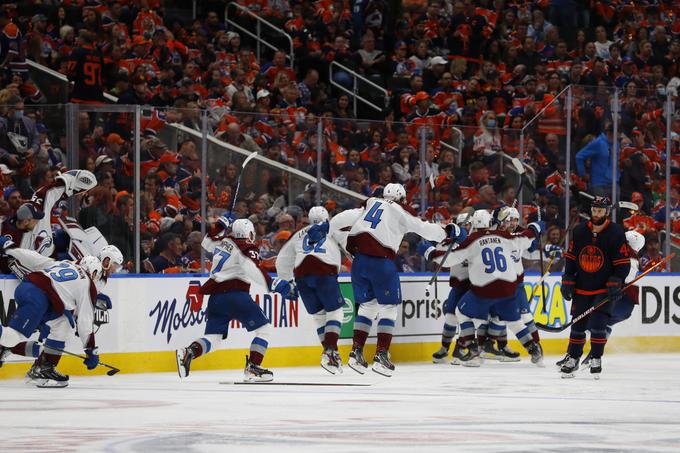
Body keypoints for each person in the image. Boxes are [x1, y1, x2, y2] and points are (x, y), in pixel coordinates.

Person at [329, 183, 450, 376]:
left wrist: (339, 240)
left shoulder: (369, 203)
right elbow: (424, 229)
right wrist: (447, 232)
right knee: (389, 308)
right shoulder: (399, 211)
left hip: (359, 263)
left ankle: (355, 354)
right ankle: (381, 355)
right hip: (381, 262)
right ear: (402, 199)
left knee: (368, 306)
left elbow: (338, 221)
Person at [176, 218, 294, 382]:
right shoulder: (247, 246)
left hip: (216, 297)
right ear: (249, 234)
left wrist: (218, 226)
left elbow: (207, 243)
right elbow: (252, 268)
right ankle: (253, 367)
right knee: (264, 329)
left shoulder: (223, 242)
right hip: (235, 294)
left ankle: (189, 352)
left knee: (214, 339)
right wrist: (273, 283)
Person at [421, 210, 544, 367]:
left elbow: (449, 259)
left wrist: (429, 253)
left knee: (461, 312)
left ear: (474, 225)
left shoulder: (472, 240)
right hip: (508, 287)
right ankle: (534, 350)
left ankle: (472, 350)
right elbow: (525, 238)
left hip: (484, 289)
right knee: (514, 321)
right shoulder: (504, 236)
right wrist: (535, 228)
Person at [0, 250, 103, 388]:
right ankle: (5, 345)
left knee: (64, 323)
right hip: (38, 297)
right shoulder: (88, 284)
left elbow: (37, 259)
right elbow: (85, 322)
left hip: (29, 289)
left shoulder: (65, 263)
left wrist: (11, 249)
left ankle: (43, 369)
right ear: (94, 272)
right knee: (11, 337)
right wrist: (91, 350)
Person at [559, 196, 630, 379]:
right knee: (577, 325)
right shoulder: (580, 231)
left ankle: (596, 358)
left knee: (598, 325)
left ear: (607, 211)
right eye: (594, 209)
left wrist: (617, 279)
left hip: (602, 290)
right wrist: (567, 277)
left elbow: (623, 262)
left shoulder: (615, 232)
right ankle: (573, 358)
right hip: (582, 287)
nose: (597, 213)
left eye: (601, 210)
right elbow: (572, 257)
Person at [558, 230, 644, 370]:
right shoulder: (632, 259)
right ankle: (592, 356)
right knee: (605, 325)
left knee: (584, 323)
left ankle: (572, 355)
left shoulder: (622, 255)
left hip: (616, 299)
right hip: (626, 306)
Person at [275, 206, 345, 374]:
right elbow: (349, 245)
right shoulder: (332, 228)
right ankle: (330, 351)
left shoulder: (299, 234)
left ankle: (331, 355)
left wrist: (287, 282)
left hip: (301, 276)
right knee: (336, 312)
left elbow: (282, 260)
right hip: (324, 271)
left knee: (319, 317)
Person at [427, 211, 473, 365]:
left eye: (467, 224)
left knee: (468, 318)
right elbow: (438, 251)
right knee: (450, 317)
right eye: (462, 225)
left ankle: (461, 348)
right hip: (458, 285)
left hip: (474, 286)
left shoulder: (476, 239)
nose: (465, 227)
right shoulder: (449, 242)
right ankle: (444, 348)